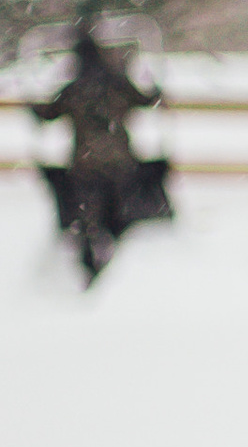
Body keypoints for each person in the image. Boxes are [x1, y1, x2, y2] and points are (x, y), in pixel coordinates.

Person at [32, 24, 167, 283]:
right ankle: (121, 272)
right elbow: (146, 101)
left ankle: (89, 266)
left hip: (85, 167)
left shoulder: (74, 88)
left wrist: (34, 107)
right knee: (121, 218)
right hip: (122, 164)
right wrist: (155, 91)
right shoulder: (117, 82)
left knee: (87, 222)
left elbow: (49, 114)